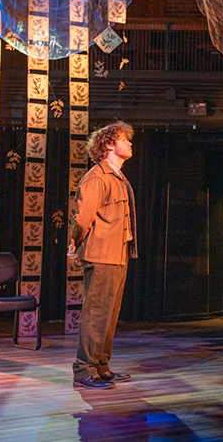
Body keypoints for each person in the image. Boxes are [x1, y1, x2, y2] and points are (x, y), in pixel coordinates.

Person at [68, 121, 138, 390]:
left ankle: (100, 366)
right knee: (96, 314)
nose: (130, 143)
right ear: (109, 144)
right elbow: (82, 218)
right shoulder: (97, 178)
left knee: (109, 315)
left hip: (117, 254)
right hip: (102, 255)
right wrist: (74, 242)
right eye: (124, 139)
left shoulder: (117, 177)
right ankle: (84, 369)